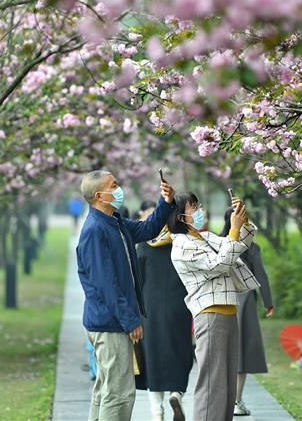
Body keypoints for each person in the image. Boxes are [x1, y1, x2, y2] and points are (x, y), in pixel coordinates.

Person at [76, 170, 175, 421]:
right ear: (100, 195)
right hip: (110, 323)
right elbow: (106, 284)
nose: (120, 189)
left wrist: (165, 202)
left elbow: (148, 229)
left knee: (105, 390)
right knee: (119, 393)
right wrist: (130, 320)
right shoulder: (95, 231)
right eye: (114, 185)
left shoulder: (115, 223)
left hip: (111, 321)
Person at [169, 192, 260, 421]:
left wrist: (242, 220)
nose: (199, 210)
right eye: (193, 207)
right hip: (210, 316)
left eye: (198, 204)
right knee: (212, 383)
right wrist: (234, 229)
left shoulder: (205, 237)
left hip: (228, 313)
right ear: (180, 217)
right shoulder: (182, 245)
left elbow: (237, 245)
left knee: (227, 383)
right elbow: (220, 264)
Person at [136, 199, 193, 421]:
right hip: (179, 305)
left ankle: (156, 411)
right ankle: (177, 393)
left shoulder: (144, 245)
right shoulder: (182, 243)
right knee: (180, 351)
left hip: (149, 308)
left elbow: (137, 281)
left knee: (153, 357)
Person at [219, 208, 275, 417]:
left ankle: (223, 399)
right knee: (241, 352)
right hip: (244, 302)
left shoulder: (217, 243)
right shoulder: (252, 247)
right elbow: (261, 276)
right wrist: (268, 302)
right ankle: (236, 400)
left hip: (220, 298)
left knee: (222, 352)